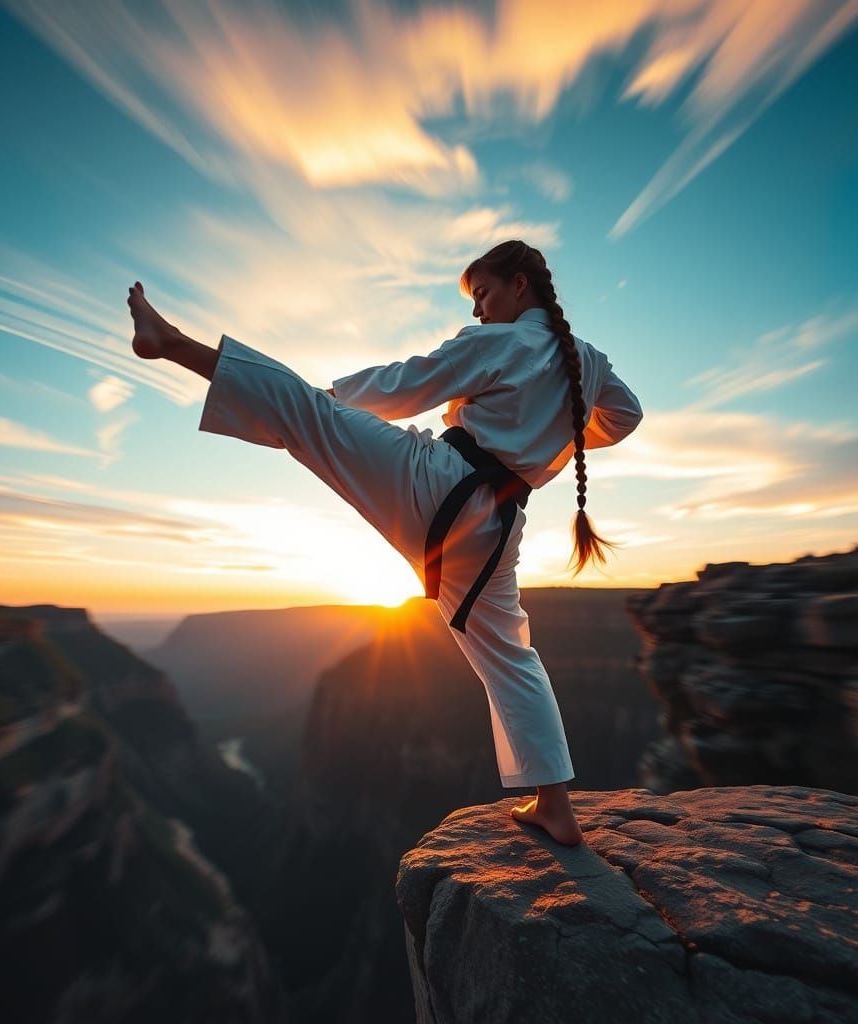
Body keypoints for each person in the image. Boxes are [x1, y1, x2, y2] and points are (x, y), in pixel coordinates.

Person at [127, 239, 643, 847]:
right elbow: (626, 416)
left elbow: (406, 384)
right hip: (498, 529)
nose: (478, 311)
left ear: (519, 285)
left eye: (483, 294)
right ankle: (555, 806)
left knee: (305, 415)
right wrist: (555, 431)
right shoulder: (591, 362)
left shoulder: (497, 343)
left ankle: (173, 344)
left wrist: (327, 404)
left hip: (439, 484)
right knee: (513, 658)